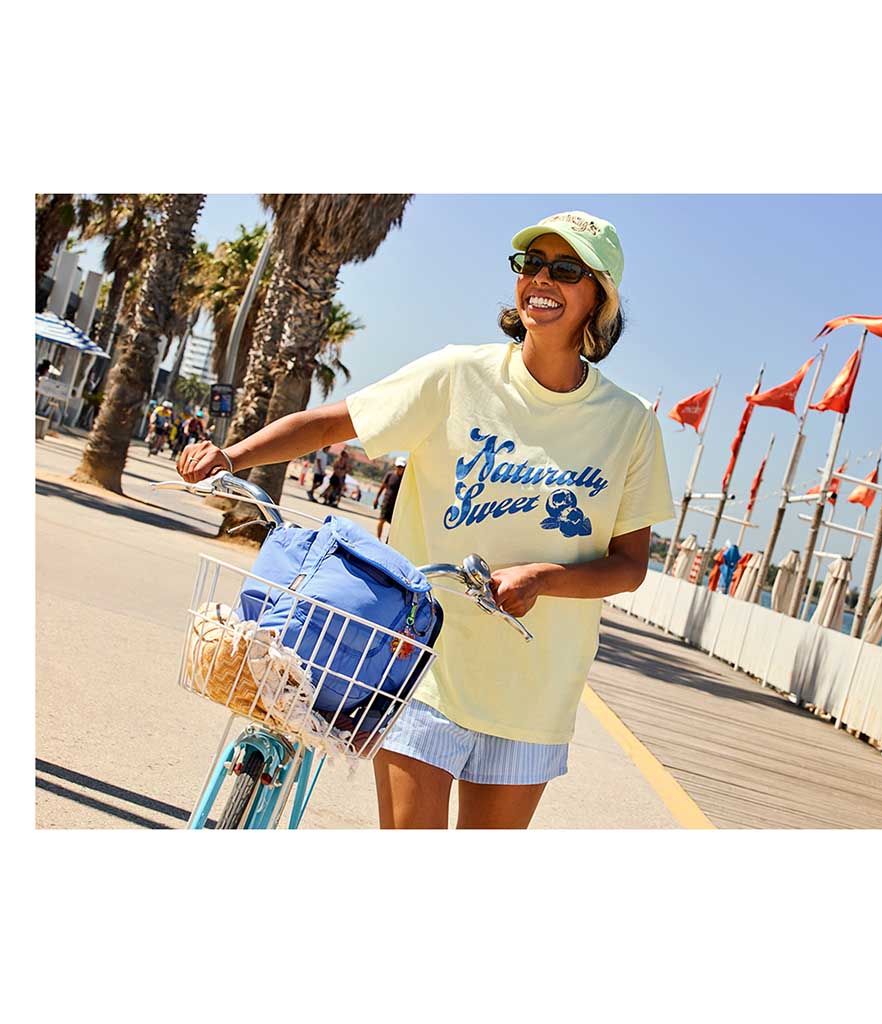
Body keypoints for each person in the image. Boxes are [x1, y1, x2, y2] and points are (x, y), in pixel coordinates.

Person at [177, 210, 673, 829]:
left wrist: (544, 578)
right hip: (417, 663)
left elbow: (629, 566)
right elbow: (334, 422)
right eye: (532, 263)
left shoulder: (630, 423)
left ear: (600, 297)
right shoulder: (457, 374)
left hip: (536, 690)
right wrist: (232, 455)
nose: (542, 278)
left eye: (566, 269)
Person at [373, 458, 406, 540]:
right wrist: (376, 498)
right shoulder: (390, 475)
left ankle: (388, 540)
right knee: (381, 520)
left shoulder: (405, 479)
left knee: (394, 525)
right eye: (398, 467)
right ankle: (378, 539)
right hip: (387, 502)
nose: (400, 469)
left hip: (396, 505)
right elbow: (382, 487)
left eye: (402, 467)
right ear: (395, 466)